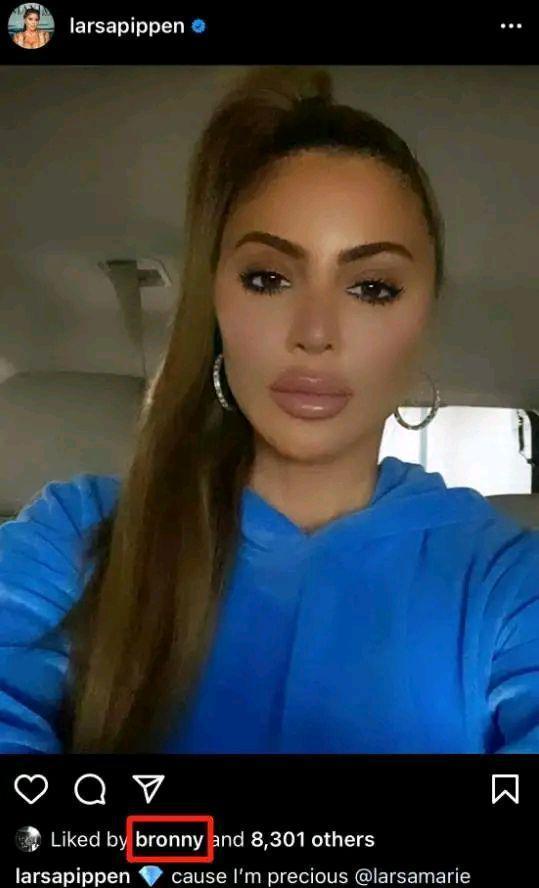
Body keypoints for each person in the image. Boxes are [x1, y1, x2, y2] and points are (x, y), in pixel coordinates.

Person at [1, 66, 539, 755]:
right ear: (216, 304)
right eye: (268, 278)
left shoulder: (507, 580)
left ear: (423, 321)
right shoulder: (75, 535)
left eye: (372, 288)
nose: (314, 332)